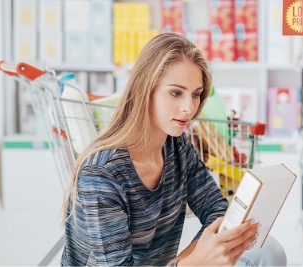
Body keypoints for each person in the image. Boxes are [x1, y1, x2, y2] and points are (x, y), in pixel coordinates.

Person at [60, 32, 286, 266]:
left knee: (269, 250)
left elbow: (216, 209)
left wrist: (192, 259)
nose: (189, 107)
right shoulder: (101, 175)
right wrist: (192, 263)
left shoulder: (176, 147)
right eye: (176, 93)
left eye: (196, 95)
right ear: (144, 90)